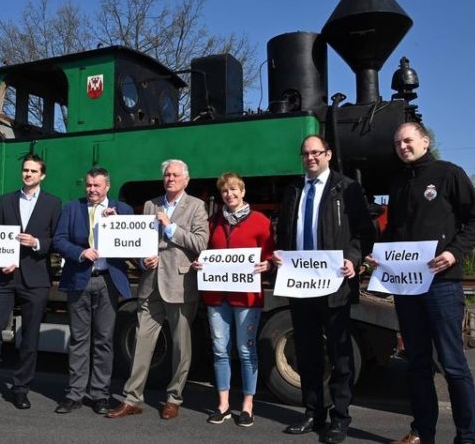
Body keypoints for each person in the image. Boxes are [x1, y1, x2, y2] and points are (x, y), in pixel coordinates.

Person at [367, 122, 475, 444]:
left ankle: (468, 437)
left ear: (424, 140)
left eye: (407, 140)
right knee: (417, 364)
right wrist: (382, 257)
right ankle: (422, 433)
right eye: (397, 143)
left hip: (443, 285)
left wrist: (453, 253)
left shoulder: (449, 174)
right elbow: (394, 232)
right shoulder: (398, 183)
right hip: (409, 288)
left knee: (452, 365)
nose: (402, 146)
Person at [274, 135, 374, 444]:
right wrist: (281, 256)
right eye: (305, 153)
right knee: (307, 352)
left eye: (316, 152)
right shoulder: (293, 189)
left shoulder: (347, 188)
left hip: (334, 286)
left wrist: (354, 259)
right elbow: (284, 231)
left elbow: (365, 232)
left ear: (328, 154)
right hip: (301, 285)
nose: (310, 158)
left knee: (341, 355)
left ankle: (340, 418)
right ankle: (312, 412)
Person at [107, 159, 208, 420]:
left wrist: (171, 227)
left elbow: (201, 243)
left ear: (186, 180)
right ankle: (132, 399)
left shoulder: (196, 206)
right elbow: (141, 242)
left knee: (180, 346)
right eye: (167, 175)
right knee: (142, 342)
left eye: (175, 175)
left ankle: (173, 398)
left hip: (180, 284)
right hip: (151, 282)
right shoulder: (151, 204)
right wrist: (143, 259)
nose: (170, 178)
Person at [0, 153, 61, 411]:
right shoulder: (5, 200)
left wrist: (37, 243)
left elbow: (57, 240)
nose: (28, 174)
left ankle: (20, 389)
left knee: (29, 337)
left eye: (33, 171)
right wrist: (0, 260)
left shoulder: (53, 203)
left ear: (42, 175)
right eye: (25, 170)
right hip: (3, 277)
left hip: (35, 278)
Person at [193, 173, 275, 428]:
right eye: (225, 191)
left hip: (247, 298)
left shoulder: (261, 221)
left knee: (246, 350)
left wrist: (268, 265)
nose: (230, 194)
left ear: (243, 191)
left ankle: (248, 405)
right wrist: (200, 263)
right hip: (217, 297)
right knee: (220, 349)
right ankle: (223, 404)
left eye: (234, 190)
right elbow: (203, 251)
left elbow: (271, 254)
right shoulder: (213, 222)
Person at [53, 167, 134, 415]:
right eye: (89, 185)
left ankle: (100, 394)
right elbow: (59, 240)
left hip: (108, 279)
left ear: (107, 186)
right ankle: (74, 394)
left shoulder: (123, 209)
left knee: (104, 340)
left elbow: (133, 242)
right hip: (80, 278)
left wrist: (116, 222)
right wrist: (80, 252)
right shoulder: (71, 208)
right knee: (79, 339)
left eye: (97, 185)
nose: (92, 190)